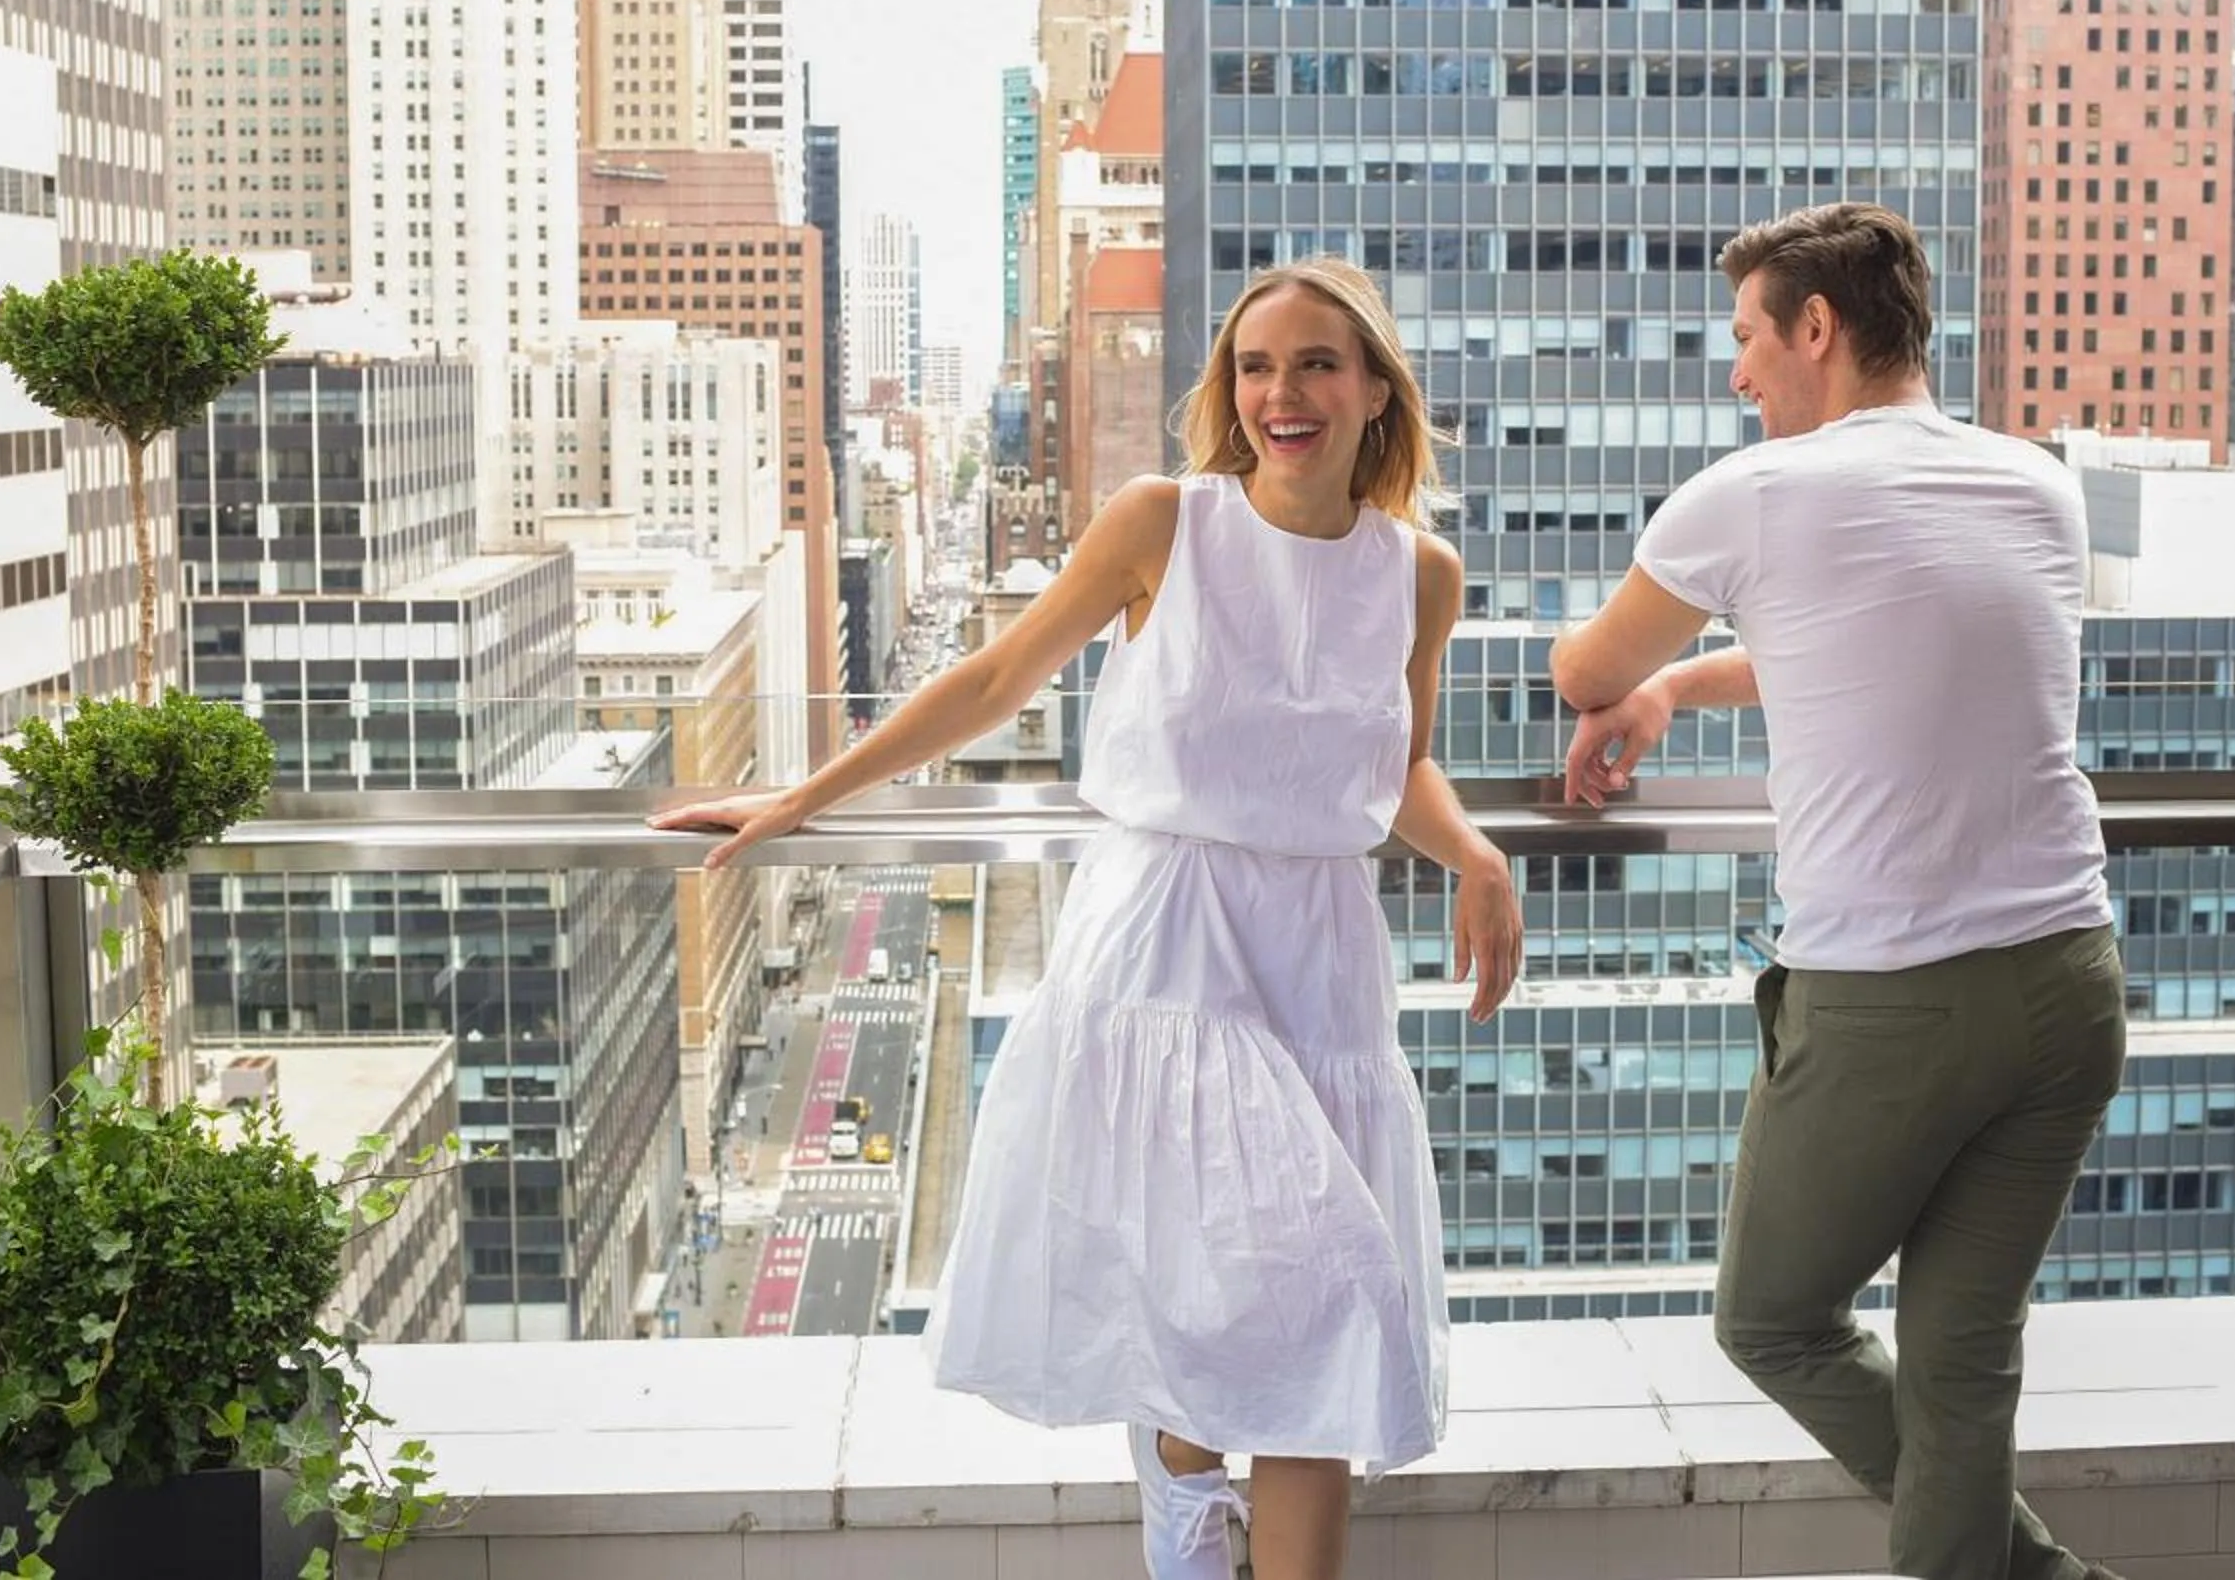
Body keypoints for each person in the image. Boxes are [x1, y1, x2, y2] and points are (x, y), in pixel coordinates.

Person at [653, 258, 1522, 1580]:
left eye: (1316, 363)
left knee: (1321, 1334)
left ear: (1375, 392)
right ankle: (1184, 1499)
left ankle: (1188, 1513)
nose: (1281, 392)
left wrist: (1475, 854)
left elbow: (1396, 764)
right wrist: (803, 796)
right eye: (1255, 366)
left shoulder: (1420, 574)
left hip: (1322, 958)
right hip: (1167, 946)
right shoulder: (1163, 523)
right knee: (1257, 1289)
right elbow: (995, 678)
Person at [1547, 203, 2127, 1580]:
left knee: (1774, 1317)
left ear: (1818, 327)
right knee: (1964, 1359)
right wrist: (1687, 684)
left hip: (1892, 1000)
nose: (1736, 372)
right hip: (2070, 982)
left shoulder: (1753, 494)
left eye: (1748, 337)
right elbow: (1870, 636)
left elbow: (1581, 672)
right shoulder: (2035, 482)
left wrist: (1640, 676)